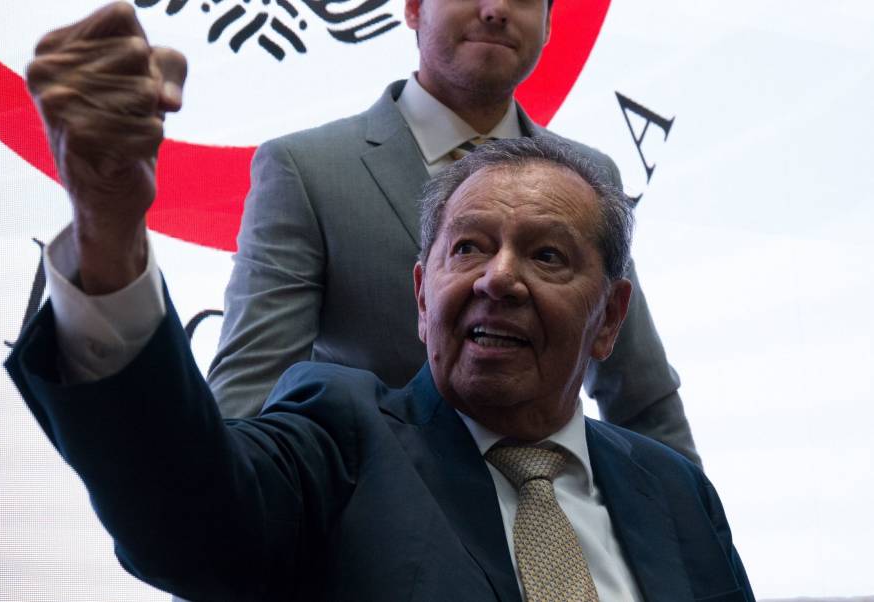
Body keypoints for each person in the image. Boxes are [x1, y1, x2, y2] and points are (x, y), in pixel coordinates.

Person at [8, 6, 751, 597]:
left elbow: (644, 397)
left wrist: (674, 511)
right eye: (468, 247)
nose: (499, 279)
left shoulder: (673, 495)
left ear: (608, 313)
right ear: (420, 292)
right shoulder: (338, 441)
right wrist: (108, 231)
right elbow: (210, 488)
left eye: (548, 254)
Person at [205, 0, 702, 464]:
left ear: (550, 24)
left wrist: (692, 523)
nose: (496, 10)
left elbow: (641, 394)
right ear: (413, 8)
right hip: (367, 511)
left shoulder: (589, 178)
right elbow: (251, 393)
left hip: (549, 507)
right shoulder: (306, 170)